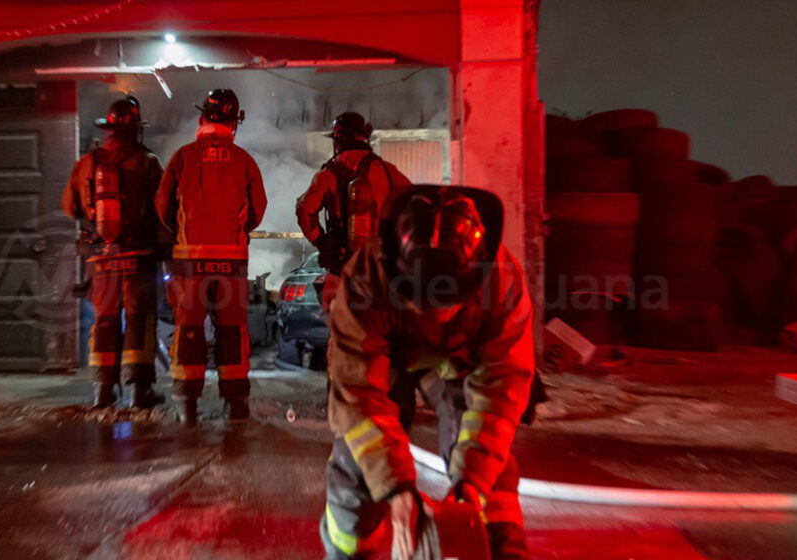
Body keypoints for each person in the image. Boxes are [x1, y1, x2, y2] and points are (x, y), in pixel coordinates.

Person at [320, 185, 533, 559]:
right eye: (419, 303)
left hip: (459, 365)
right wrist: (396, 488)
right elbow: (358, 391)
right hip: (388, 364)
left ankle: (504, 547)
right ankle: (347, 551)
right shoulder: (365, 275)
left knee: (492, 469)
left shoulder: (501, 279)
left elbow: (500, 391)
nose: (430, 317)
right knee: (359, 461)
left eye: (443, 305)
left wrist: (471, 485)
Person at [155, 89, 267, 426]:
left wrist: (186, 233)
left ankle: (186, 406)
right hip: (232, 265)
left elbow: (162, 207)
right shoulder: (244, 160)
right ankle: (235, 405)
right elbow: (257, 210)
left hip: (190, 264)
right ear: (234, 123)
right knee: (232, 332)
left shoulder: (183, 157)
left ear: (202, 118)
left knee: (189, 332)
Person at [62, 96, 170, 409]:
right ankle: (139, 392)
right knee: (140, 322)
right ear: (136, 129)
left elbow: (69, 207)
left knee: (104, 322)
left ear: (107, 129)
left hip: (100, 259)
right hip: (139, 260)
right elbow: (164, 210)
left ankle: (103, 392)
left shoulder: (87, 164)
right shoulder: (148, 162)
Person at [296, 112, 411, 307]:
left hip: (343, 270)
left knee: (341, 330)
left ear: (337, 141)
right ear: (364, 137)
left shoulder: (327, 175)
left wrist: (322, 243)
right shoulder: (387, 171)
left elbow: (304, 210)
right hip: (381, 272)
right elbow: (412, 205)